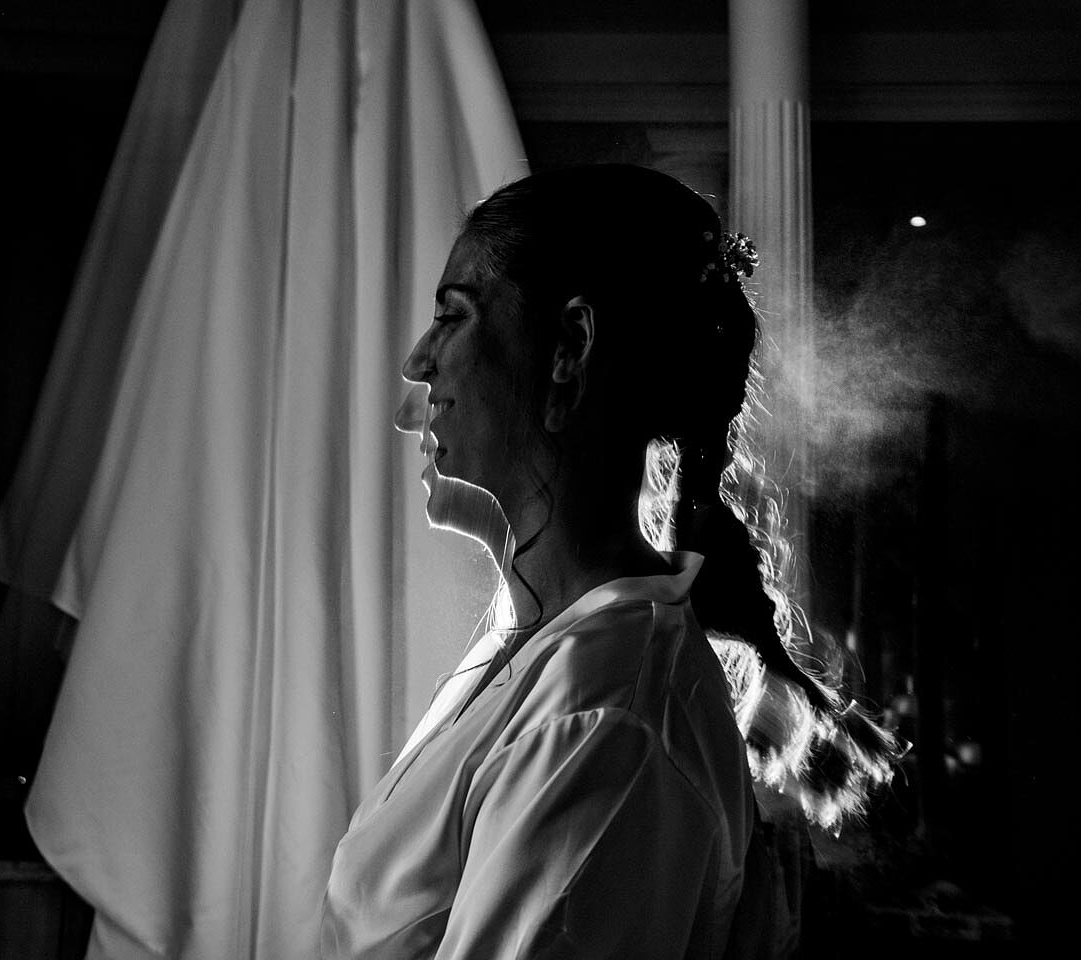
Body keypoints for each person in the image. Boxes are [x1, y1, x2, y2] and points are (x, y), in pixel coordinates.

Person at [320, 165, 899, 959]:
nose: (419, 367)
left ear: (570, 349)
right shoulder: (548, 650)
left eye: (452, 318)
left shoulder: (603, 716)